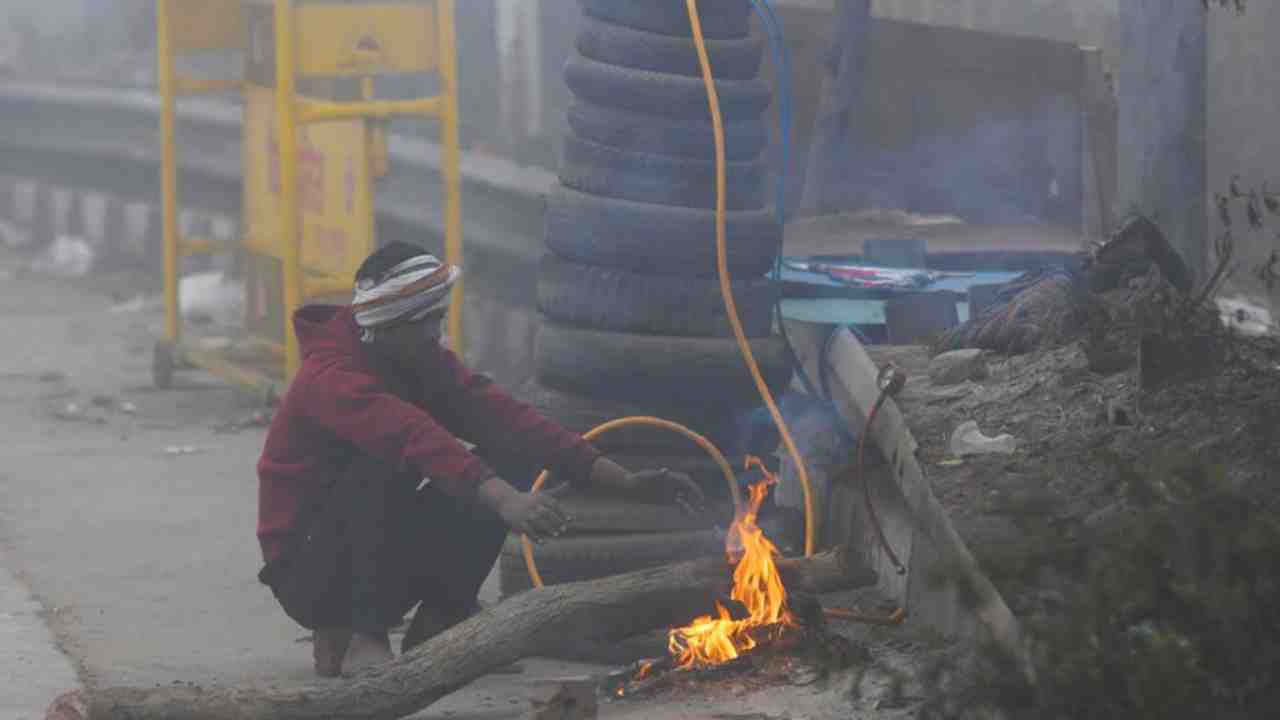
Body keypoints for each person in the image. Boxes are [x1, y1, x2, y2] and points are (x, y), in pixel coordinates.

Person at [256, 242, 704, 677]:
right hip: (309, 570)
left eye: (438, 317)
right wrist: (504, 500)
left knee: (512, 450)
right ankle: (365, 636)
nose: (436, 332)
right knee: (387, 461)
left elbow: (508, 419)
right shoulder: (330, 376)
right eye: (426, 321)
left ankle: (440, 624)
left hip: (368, 556)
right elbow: (413, 436)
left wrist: (625, 481)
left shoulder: (418, 358)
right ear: (389, 326)